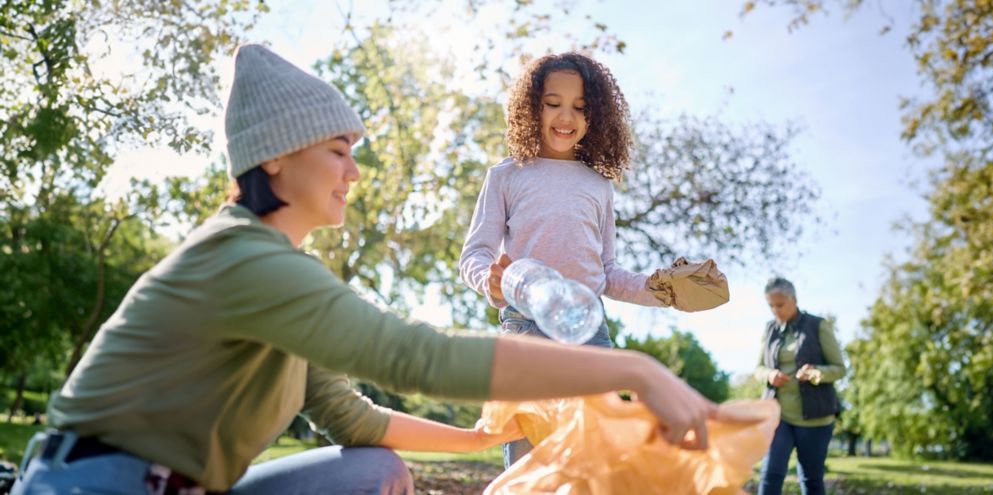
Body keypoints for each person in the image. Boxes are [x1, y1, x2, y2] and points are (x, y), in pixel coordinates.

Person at [11, 45, 717, 495]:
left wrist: (478, 436)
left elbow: (350, 416)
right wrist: (636, 370)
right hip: (95, 482)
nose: (354, 169)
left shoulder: (286, 273)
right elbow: (413, 354)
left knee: (376, 470)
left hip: (189, 485)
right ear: (276, 158)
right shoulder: (241, 257)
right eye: (338, 150)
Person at [459, 52, 716, 468]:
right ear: (532, 106)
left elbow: (607, 272)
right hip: (526, 328)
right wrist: (487, 279)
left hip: (589, 330)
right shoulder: (505, 176)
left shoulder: (599, 186)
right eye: (553, 103)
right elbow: (474, 254)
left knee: (593, 456)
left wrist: (658, 289)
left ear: (595, 116)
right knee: (529, 461)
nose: (566, 116)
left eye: (580, 107)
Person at [754, 277, 846, 495]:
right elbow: (758, 367)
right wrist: (770, 375)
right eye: (770, 306)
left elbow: (840, 368)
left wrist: (816, 373)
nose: (775, 311)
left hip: (815, 417)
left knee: (811, 479)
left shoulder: (818, 326)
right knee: (770, 474)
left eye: (780, 305)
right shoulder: (769, 329)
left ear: (793, 299)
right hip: (779, 415)